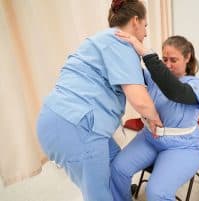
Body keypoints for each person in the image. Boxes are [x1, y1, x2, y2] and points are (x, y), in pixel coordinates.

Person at [36, 1, 162, 201]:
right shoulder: (122, 43)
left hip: (59, 117)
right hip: (75, 125)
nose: (146, 33)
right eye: (146, 26)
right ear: (136, 21)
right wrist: (156, 120)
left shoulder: (101, 39)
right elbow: (141, 102)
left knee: (115, 163)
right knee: (99, 194)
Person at [111, 32, 199, 201]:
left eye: (174, 60)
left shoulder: (197, 84)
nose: (168, 65)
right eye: (165, 59)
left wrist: (147, 53)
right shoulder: (153, 77)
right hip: (150, 138)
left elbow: (174, 91)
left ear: (187, 58)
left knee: (156, 193)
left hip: (183, 147)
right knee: (118, 168)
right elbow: (130, 70)